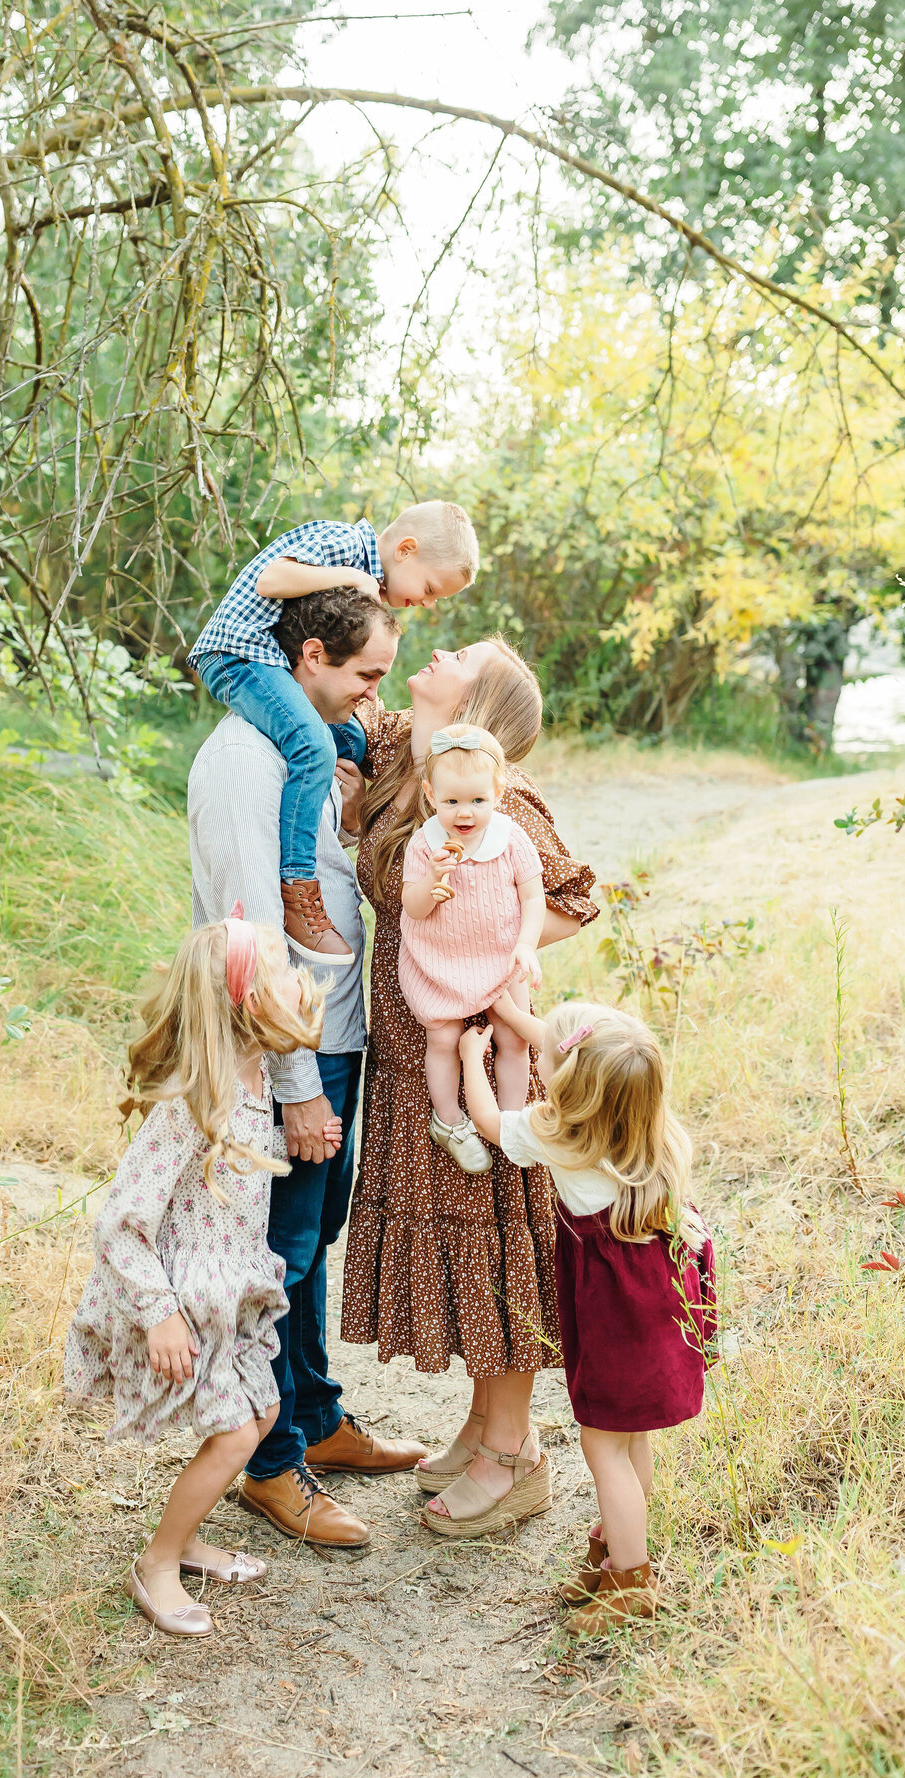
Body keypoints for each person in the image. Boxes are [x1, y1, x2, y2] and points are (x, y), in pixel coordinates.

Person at [339, 639, 599, 1539]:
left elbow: (572, 897)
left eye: (463, 653)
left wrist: (492, 969)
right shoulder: (409, 756)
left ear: (481, 698)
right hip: (416, 1040)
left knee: (494, 1235)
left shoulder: (502, 799)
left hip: (478, 1042)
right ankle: (486, 1427)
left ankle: (514, 1453)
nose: (439, 646)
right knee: (462, 1226)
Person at [189, 587, 425, 1551]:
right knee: (279, 1256)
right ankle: (270, 1464)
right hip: (286, 1052)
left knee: (313, 1234)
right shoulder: (246, 761)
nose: (376, 695)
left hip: (338, 1036)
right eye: (366, 674)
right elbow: (251, 933)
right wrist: (294, 1092)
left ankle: (317, 1418)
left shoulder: (315, 749)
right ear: (311, 655)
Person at [63, 916, 324, 1639]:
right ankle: (157, 1561)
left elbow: (234, 1158)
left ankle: (187, 1538)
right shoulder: (188, 1102)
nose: (295, 982)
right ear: (246, 1004)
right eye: (277, 973)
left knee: (263, 1415)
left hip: (231, 1288)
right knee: (239, 1434)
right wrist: (159, 1312)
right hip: (182, 1296)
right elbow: (120, 1219)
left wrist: (282, 1140)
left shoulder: (254, 1073)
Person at [457, 1001, 717, 1632]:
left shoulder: (560, 1135)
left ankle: (632, 1583)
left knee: (602, 1447)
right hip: (661, 1308)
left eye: (548, 1058)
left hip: (616, 1319)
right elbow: (560, 1039)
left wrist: (471, 1058)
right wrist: (516, 1011)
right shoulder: (652, 1134)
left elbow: (489, 1121)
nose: (539, 1055)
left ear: (570, 1092)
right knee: (630, 1441)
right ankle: (615, 1546)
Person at [188, 502, 479, 965]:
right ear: (405, 550)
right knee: (313, 743)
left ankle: (338, 825)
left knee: (350, 742)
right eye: (429, 589)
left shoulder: (363, 574)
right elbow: (270, 580)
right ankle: (298, 883)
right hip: (239, 654)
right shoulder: (342, 542)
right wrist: (355, 580)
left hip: (270, 658)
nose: (428, 602)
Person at [399, 721, 546, 1174]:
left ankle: (511, 1120)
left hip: (502, 957)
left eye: (478, 800)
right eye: (452, 801)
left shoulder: (510, 838)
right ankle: (449, 1121)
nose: (465, 813)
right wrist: (432, 881)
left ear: (498, 793)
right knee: (442, 1037)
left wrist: (526, 945)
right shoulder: (425, 844)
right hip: (440, 958)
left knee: (514, 1037)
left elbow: (532, 897)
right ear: (430, 794)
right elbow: (413, 906)